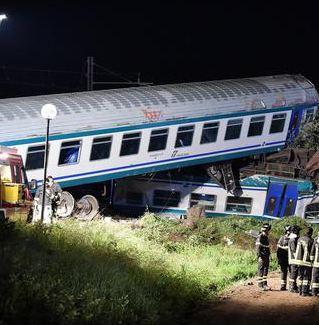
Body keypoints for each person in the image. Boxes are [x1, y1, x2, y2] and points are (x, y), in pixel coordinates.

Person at [295, 227, 313, 296]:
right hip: (307, 262)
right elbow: (311, 252)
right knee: (306, 277)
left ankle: (300, 291)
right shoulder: (311, 240)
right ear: (311, 233)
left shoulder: (300, 239)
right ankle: (305, 292)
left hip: (298, 261)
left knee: (300, 276)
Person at [256, 222, 271, 291]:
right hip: (262, 256)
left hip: (266, 256)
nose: (268, 231)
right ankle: (260, 285)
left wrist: (269, 255)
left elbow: (267, 247)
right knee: (261, 269)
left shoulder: (266, 237)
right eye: (267, 230)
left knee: (265, 270)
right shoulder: (260, 236)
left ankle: (264, 284)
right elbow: (258, 248)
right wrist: (259, 256)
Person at [277, 225, 292, 290]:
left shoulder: (292, 238)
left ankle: (291, 286)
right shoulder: (282, 238)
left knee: (291, 272)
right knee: (283, 271)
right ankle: (283, 286)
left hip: (290, 258)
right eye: (287, 231)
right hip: (283, 258)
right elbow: (278, 248)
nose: (288, 232)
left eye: (289, 231)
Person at [287, 225, 300, 293]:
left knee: (294, 273)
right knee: (293, 273)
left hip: (293, 259)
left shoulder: (292, 239)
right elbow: (294, 250)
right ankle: (292, 287)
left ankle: (293, 286)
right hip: (293, 259)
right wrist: (298, 258)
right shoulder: (292, 240)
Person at [310, 230, 319, 296]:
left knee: (315, 277)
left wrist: (311, 261)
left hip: (316, 263)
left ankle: (314, 292)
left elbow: (312, 252)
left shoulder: (315, 240)